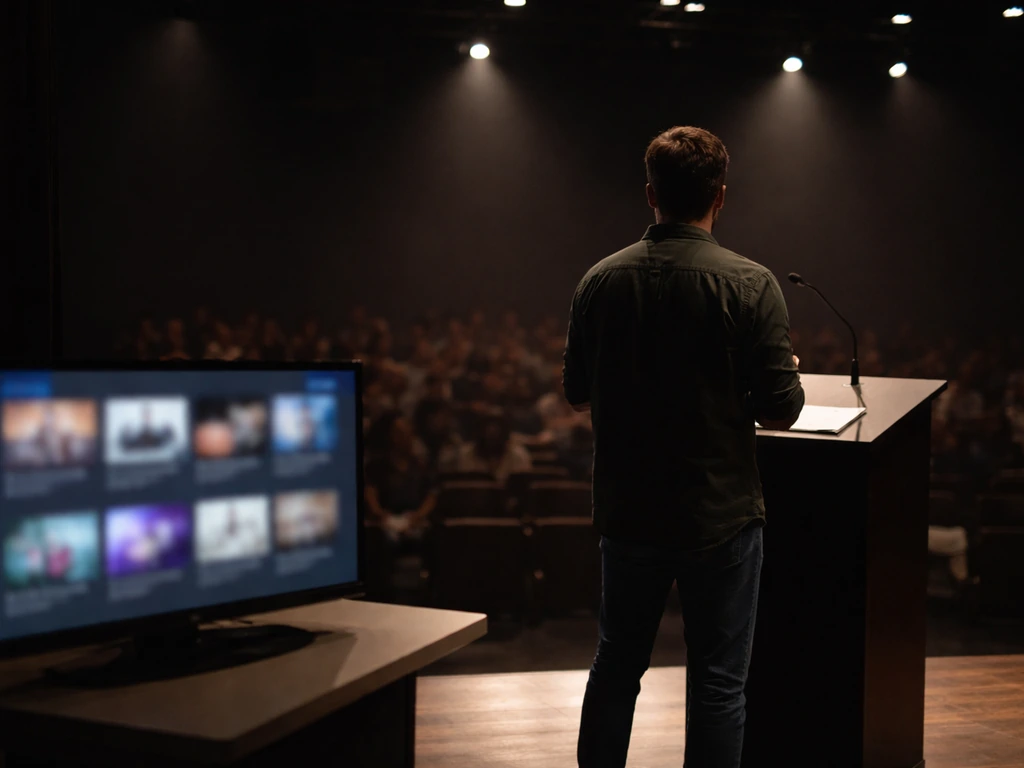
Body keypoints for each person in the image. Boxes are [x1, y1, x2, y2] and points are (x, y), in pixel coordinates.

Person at [566, 126, 805, 768]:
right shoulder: (751, 285)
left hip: (630, 513)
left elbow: (574, 390)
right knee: (718, 688)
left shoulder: (599, 281)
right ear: (719, 197)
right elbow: (783, 408)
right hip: (719, 516)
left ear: (650, 194)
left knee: (615, 669)